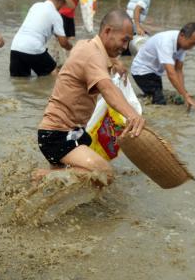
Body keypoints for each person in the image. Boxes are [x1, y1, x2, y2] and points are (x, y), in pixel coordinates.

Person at [37, 9, 145, 184]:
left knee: (82, 184)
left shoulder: (87, 45)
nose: (125, 47)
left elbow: (95, 60)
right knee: (104, 174)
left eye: (129, 41)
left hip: (72, 132)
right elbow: (107, 88)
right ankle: (41, 176)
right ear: (108, 31)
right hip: (58, 134)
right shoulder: (92, 54)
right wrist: (133, 115)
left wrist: (114, 62)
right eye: (124, 40)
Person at [131, 22, 195, 111]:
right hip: (141, 71)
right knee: (159, 103)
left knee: (165, 97)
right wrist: (184, 95)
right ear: (182, 35)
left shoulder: (183, 45)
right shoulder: (166, 42)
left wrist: (185, 93)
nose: (192, 47)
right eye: (191, 43)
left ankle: (144, 97)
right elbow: (171, 74)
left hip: (155, 72)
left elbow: (178, 70)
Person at [9, 0, 73, 78]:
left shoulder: (36, 6)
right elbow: (63, 43)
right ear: (61, 1)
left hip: (15, 47)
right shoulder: (56, 15)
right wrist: (72, 48)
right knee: (54, 75)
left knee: (20, 82)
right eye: (63, 5)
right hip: (33, 47)